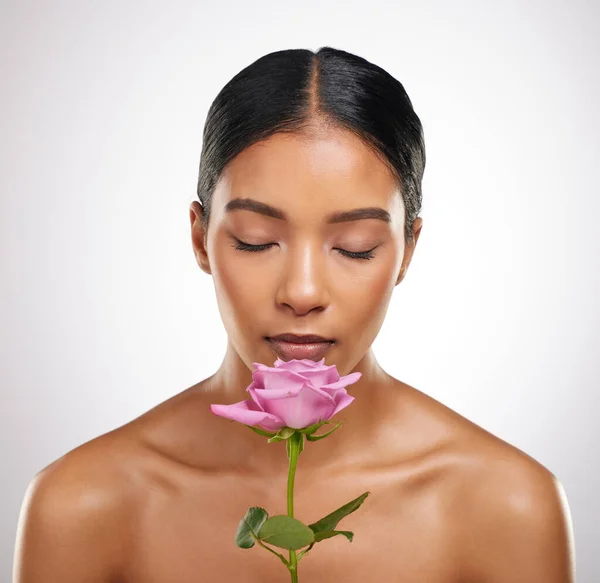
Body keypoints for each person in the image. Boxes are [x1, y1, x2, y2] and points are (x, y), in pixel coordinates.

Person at [13, 46, 575, 583]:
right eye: (257, 241)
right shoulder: (82, 507)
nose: (302, 292)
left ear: (407, 249)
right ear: (200, 239)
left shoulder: (507, 506)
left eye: (354, 246)